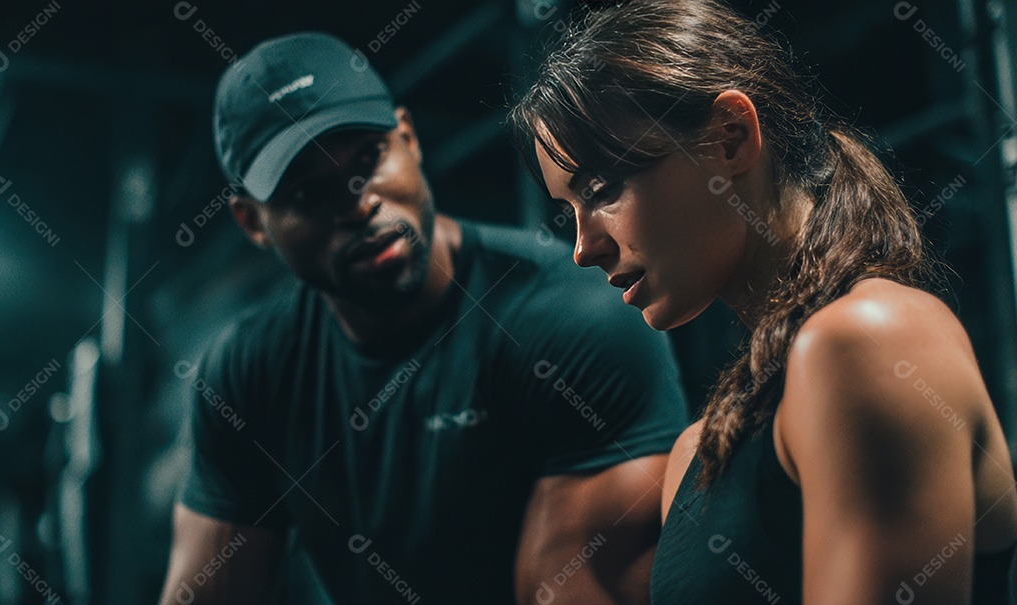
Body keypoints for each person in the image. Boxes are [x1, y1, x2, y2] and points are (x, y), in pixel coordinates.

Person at [157, 31, 690, 605]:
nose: (359, 202)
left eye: (369, 159)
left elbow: (575, 587)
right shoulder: (250, 372)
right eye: (308, 194)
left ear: (408, 139)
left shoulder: (568, 318)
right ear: (253, 223)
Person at [510, 1, 1017, 603]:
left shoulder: (871, 341)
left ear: (730, 137)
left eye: (602, 190)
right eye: (570, 209)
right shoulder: (694, 454)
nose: (582, 248)